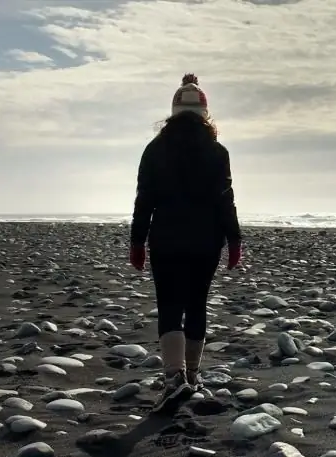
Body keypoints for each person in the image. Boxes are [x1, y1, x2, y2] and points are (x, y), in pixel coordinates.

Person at [128, 73, 243, 414]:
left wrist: (137, 241)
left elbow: (143, 199)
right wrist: (234, 240)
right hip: (206, 241)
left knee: (169, 307)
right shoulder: (216, 151)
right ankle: (192, 377)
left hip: (166, 239)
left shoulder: (155, 149)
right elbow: (226, 199)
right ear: (205, 114)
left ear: (172, 113)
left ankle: (173, 377)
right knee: (196, 305)